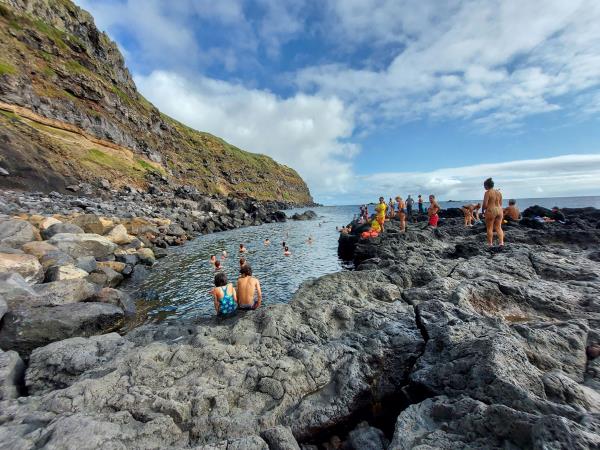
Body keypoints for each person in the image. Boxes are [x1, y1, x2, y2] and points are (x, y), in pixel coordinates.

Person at [482, 177, 504, 246]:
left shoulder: (487, 193)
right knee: (498, 227)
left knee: (489, 228)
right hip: (499, 210)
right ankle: (501, 243)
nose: (484, 187)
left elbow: (485, 204)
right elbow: (500, 204)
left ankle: (490, 244)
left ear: (486, 185)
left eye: (484, 185)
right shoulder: (499, 193)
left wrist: (483, 211)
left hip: (491, 211)